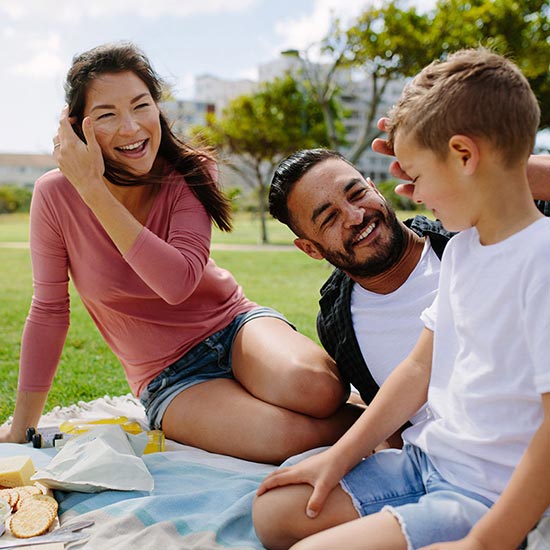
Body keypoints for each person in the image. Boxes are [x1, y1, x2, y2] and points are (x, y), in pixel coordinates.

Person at [0, 42, 362, 465]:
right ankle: (396, 428)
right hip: (169, 377)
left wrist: (93, 189)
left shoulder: (189, 172)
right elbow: (49, 309)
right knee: (287, 436)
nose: (132, 128)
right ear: (76, 128)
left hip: (234, 326)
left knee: (318, 389)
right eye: (107, 115)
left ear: (158, 107)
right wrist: (21, 426)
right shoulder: (55, 195)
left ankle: (403, 421)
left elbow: (177, 282)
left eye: (141, 106)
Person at [253, 48, 550, 549]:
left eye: (418, 174)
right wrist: (339, 456)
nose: (411, 193)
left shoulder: (537, 259)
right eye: (328, 216)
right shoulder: (463, 252)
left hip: (485, 494)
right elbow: (416, 371)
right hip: (430, 461)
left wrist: (484, 541)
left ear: (463, 156)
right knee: (273, 513)